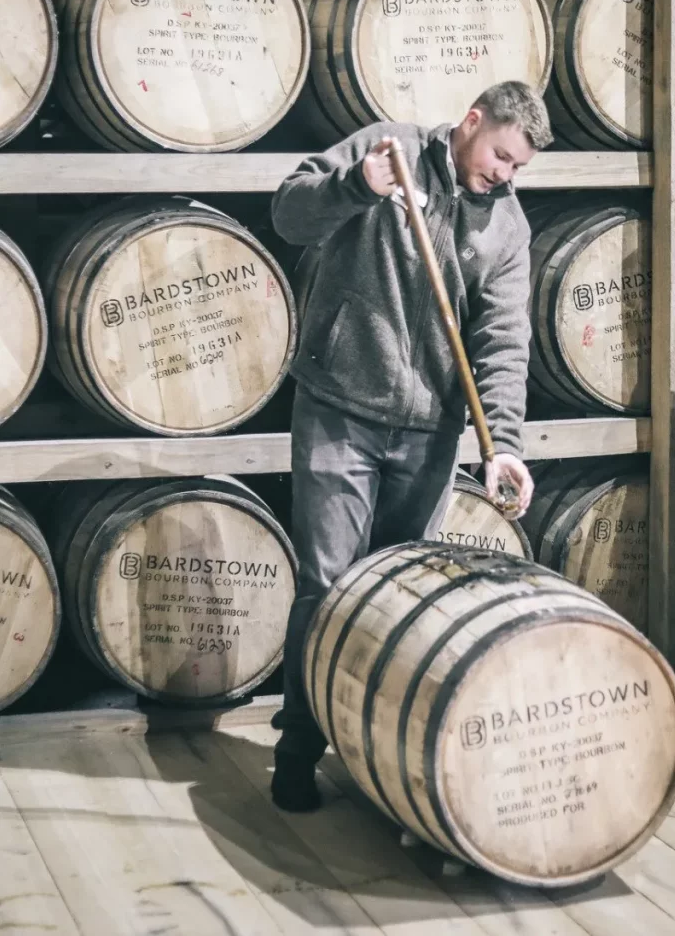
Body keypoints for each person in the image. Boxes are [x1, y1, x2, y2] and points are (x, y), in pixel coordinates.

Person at [268, 81, 552, 811]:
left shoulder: (507, 228)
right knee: (326, 585)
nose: (504, 174)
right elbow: (289, 214)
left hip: (430, 432)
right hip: (340, 406)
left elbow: (503, 341)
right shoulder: (386, 147)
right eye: (500, 156)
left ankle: (374, 753)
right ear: (471, 122)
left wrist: (504, 443)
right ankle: (298, 746)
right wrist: (355, 188)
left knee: (399, 598)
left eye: (518, 167)